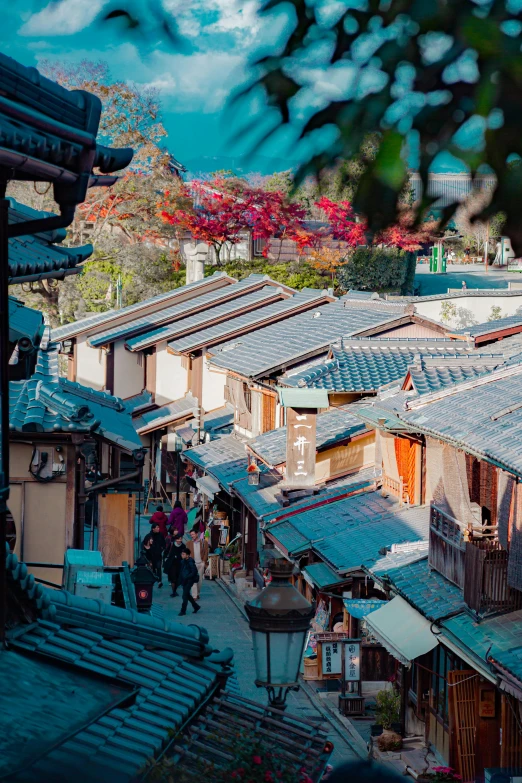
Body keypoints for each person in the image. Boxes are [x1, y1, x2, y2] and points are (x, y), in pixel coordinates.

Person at [186, 528, 208, 600]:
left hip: (200, 563)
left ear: (197, 534)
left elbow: (206, 552)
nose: (192, 536)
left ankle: (198, 593)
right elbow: (187, 553)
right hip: (192, 564)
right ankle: (194, 595)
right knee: (193, 579)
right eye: (191, 535)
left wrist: (204, 562)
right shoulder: (188, 543)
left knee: (199, 580)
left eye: (193, 534)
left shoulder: (204, 542)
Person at [163, 532, 188, 597]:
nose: (179, 540)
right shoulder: (171, 545)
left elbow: (185, 555)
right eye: (178, 539)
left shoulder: (183, 546)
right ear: (175, 539)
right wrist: (166, 559)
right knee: (173, 579)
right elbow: (166, 552)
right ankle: (173, 592)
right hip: (172, 564)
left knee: (178, 579)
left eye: (181, 539)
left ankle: (175, 590)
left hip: (180, 564)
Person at [178, 550, 200, 616]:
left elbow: (194, 572)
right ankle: (196, 606)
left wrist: (187, 577)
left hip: (189, 581)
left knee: (184, 596)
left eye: (184, 554)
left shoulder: (190, 562)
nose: (182, 555)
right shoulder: (183, 561)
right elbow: (181, 571)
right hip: (184, 581)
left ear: (187, 555)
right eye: (182, 554)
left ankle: (183, 610)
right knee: (187, 595)